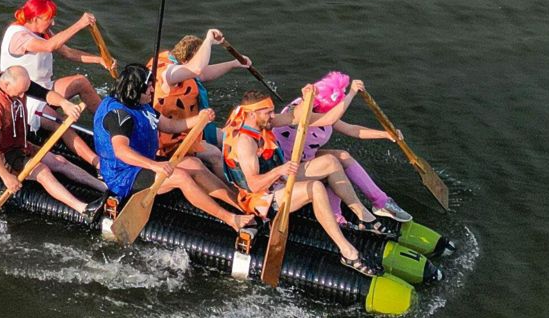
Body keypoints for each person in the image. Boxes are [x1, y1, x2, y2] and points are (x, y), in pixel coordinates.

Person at [222, 85, 387, 277]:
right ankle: (347, 252)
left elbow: (298, 116)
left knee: (331, 162)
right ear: (251, 114)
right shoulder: (246, 142)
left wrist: (306, 96)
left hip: (279, 178)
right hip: (261, 198)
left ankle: (362, 215)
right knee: (315, 187)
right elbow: (254, 185)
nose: (272, 115)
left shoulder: (264, 122)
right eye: (267, 112)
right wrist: (280, 170)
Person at [94, 64, 253, 232]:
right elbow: (121, 151)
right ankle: (231, 219)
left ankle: (241, 203)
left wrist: (199, 120)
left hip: (143, 164)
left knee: (195, 164)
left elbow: (170, 125)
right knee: (181, 177)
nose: (152, 89)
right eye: (148, 86)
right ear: (135, 89)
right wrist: (155, 165)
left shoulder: (140, 103)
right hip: (124, 175)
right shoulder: (119, 115)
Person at [271, 71, 413, 222]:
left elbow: (351, 129)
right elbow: (330, 118)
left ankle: (381, 202)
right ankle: (335, 216)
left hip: (305, 160)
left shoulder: (322, 112)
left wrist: (386, 134)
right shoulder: (300, 112)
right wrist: (351, 93)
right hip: (286, 168)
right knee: (331, 164)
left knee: (343, 156)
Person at [0, 66, 107, 219]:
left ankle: (104, 187)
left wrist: (63, 103)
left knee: (59, 161)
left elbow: (44, 94)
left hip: (16, 142)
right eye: (19, 93)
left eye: (24, 92)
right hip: (1, 153)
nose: (22, 96)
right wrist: (6, 177)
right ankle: (84, 209)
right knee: (43, 172)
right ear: (6, 85)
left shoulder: (14, 84)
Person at [0, 0, 105, 160]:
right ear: (35, 18)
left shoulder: (42, 31)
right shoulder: (19, 37)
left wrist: (99, 60)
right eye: (49, 19)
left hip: (44, 88)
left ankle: (108, 125)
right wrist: (80, 24)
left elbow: (68, 52)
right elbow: (49, 46)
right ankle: (97, 163)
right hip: (27, 98)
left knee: (81, 82)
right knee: (62, 122)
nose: (53, 23)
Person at [151, 31, 247, 176]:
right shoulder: (168, 73)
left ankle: (247, 172)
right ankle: (230, 188)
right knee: (214, 154)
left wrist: (234, 63)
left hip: (193, 124)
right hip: (172, 136)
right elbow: (197, 69)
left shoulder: (180, 66)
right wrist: (208, 40)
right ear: (187, 60)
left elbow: (202, 74)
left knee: (230, 138)